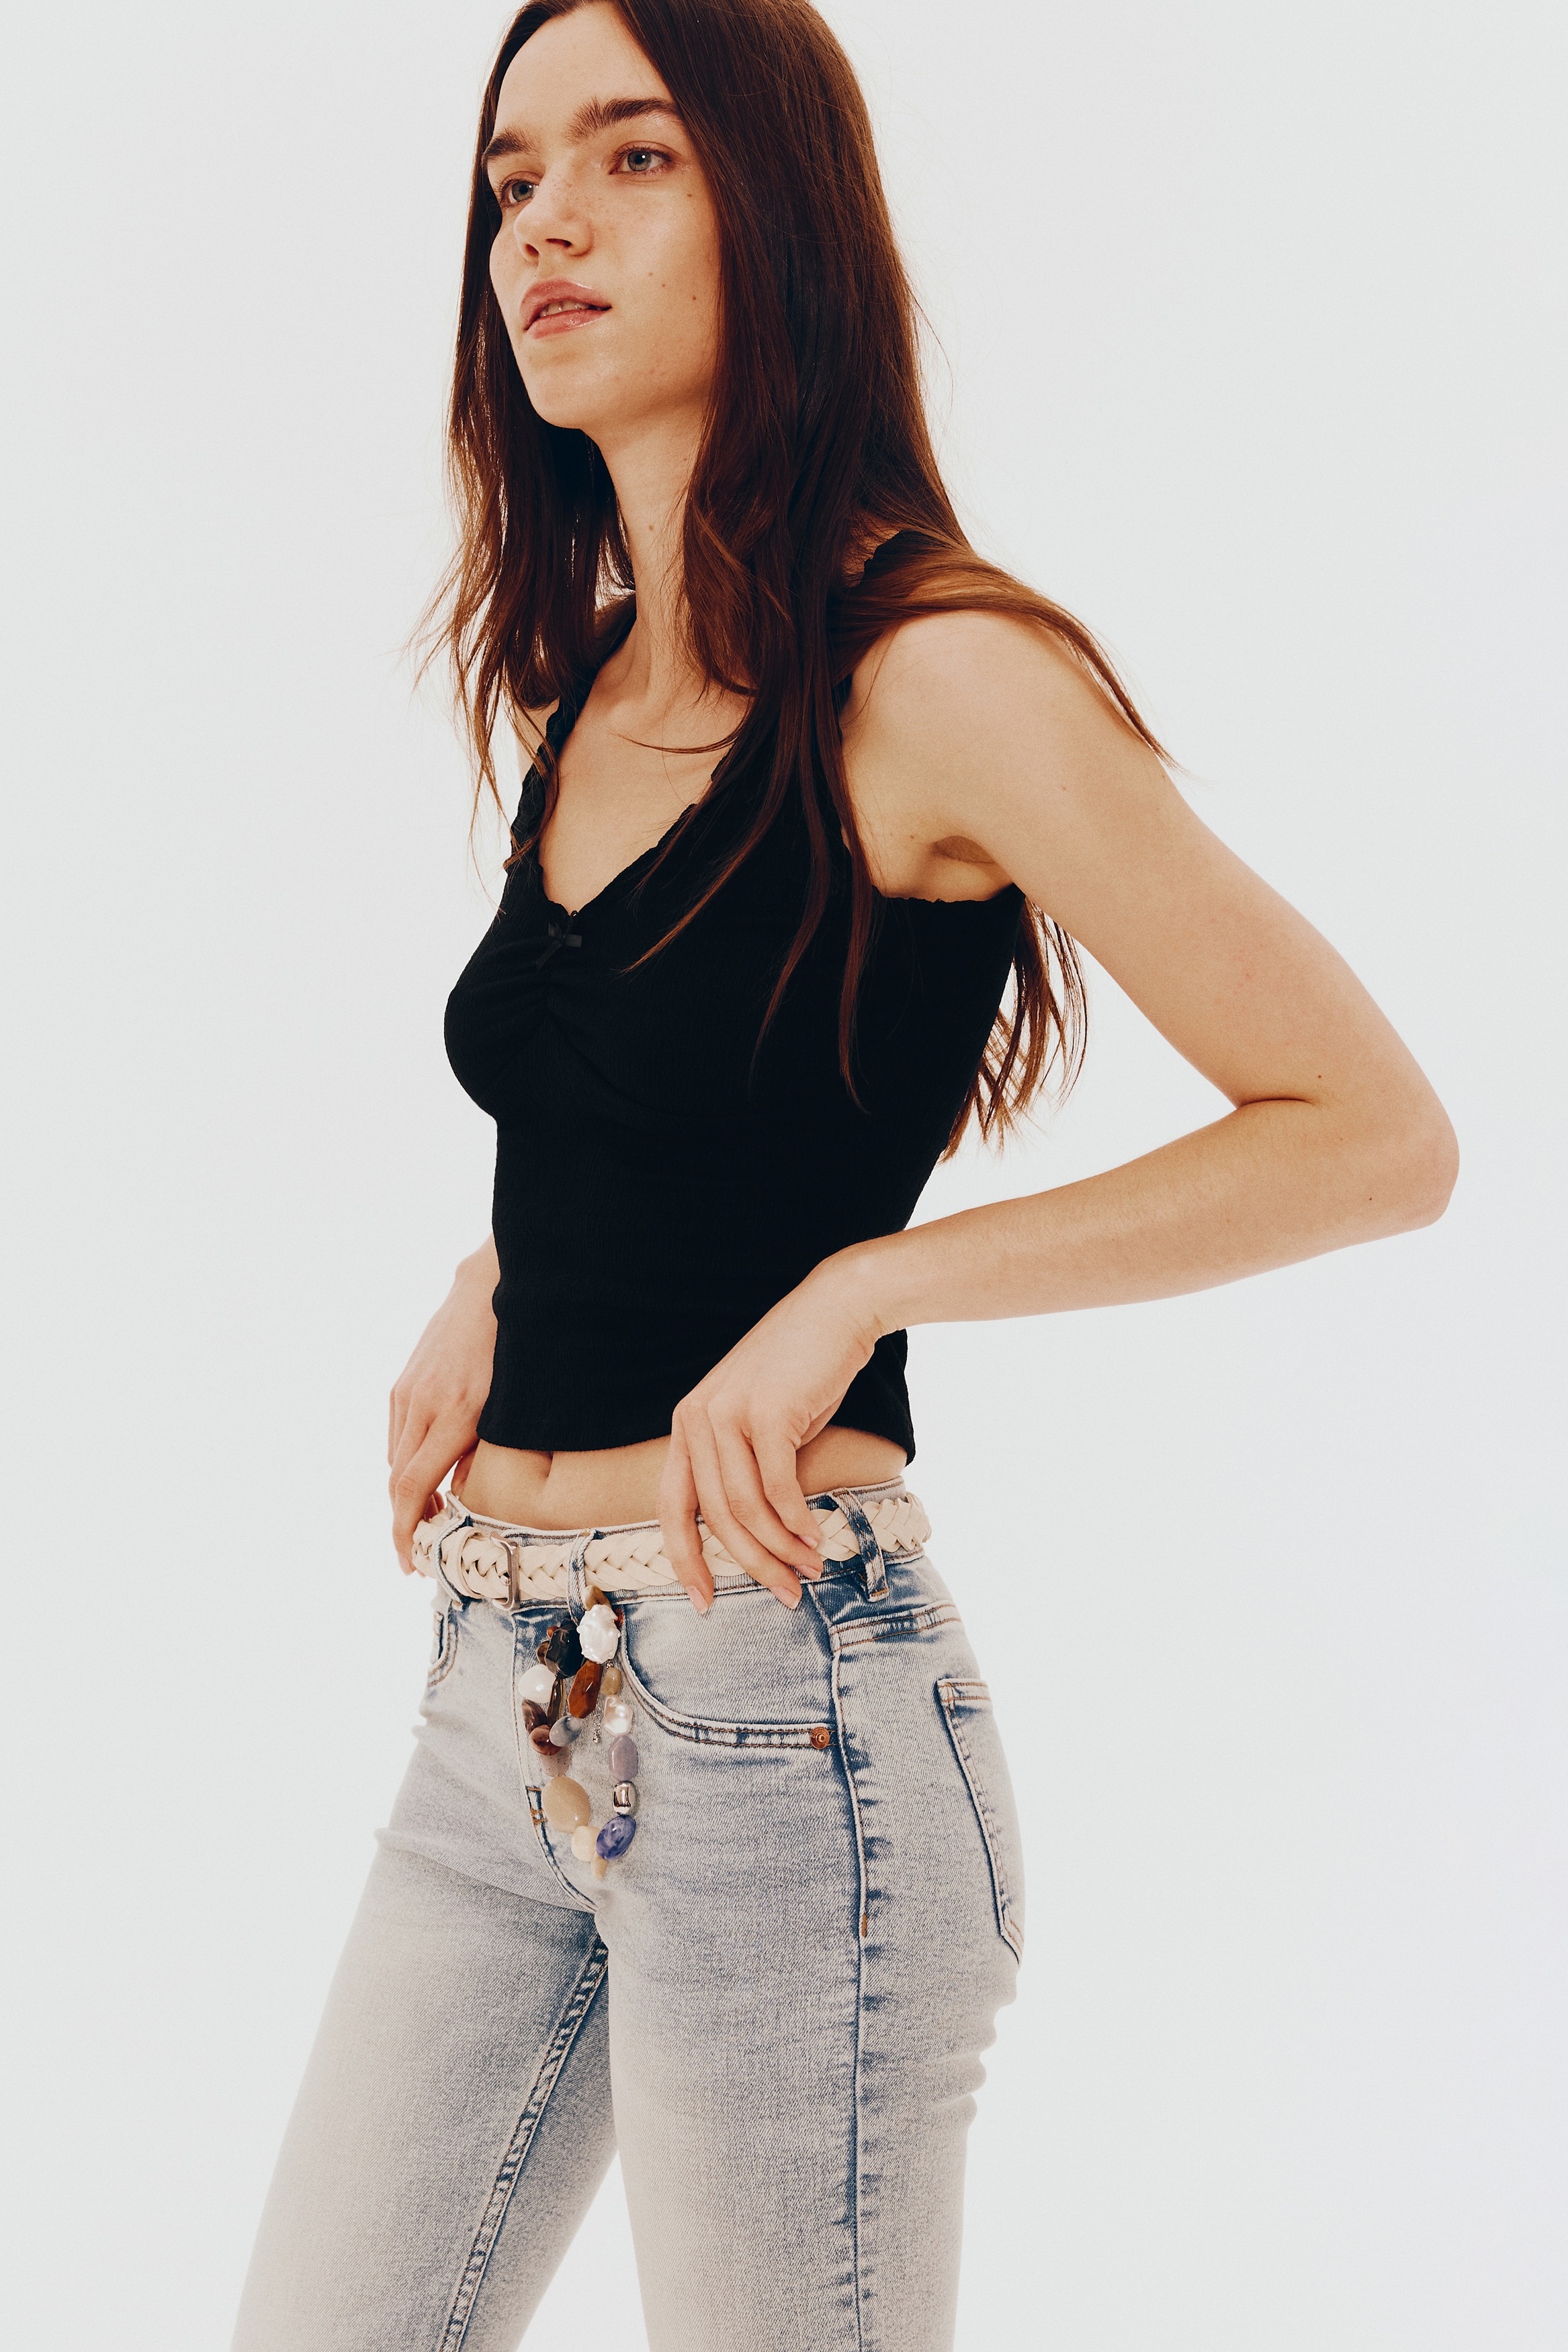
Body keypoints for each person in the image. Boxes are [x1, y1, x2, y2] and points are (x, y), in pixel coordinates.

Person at [231, 3, 1458, 2346]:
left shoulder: (937, 675)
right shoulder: (586, 687)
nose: (547, 224)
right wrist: (504, 1268)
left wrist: (866, 1285)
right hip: (505, 1697)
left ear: (777, 210)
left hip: (782, 1714)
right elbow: (699, 1084)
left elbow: (1373, 1133)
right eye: (511, 179)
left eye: (634, 157)